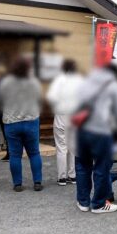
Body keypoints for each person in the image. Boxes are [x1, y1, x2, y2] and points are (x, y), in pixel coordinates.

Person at [75, 63, 117, 214]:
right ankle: (98, 204)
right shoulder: (113, 87)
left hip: (81, 130)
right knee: (102, 167)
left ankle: (83, 201)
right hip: (102, 131)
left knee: (82, 166)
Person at [0, 57, 44, 192]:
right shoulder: (34, 81)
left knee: (15, 155)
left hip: (11, 122)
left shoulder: (6, 82)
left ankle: (17, 184)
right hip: (31, 120)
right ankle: (37, 182)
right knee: (34, 153)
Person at [46, 58, 84, 186]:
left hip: (61, 117)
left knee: (61, 148)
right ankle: (72, 176)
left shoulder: (59, 81)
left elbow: (51, 98)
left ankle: (62, 177)